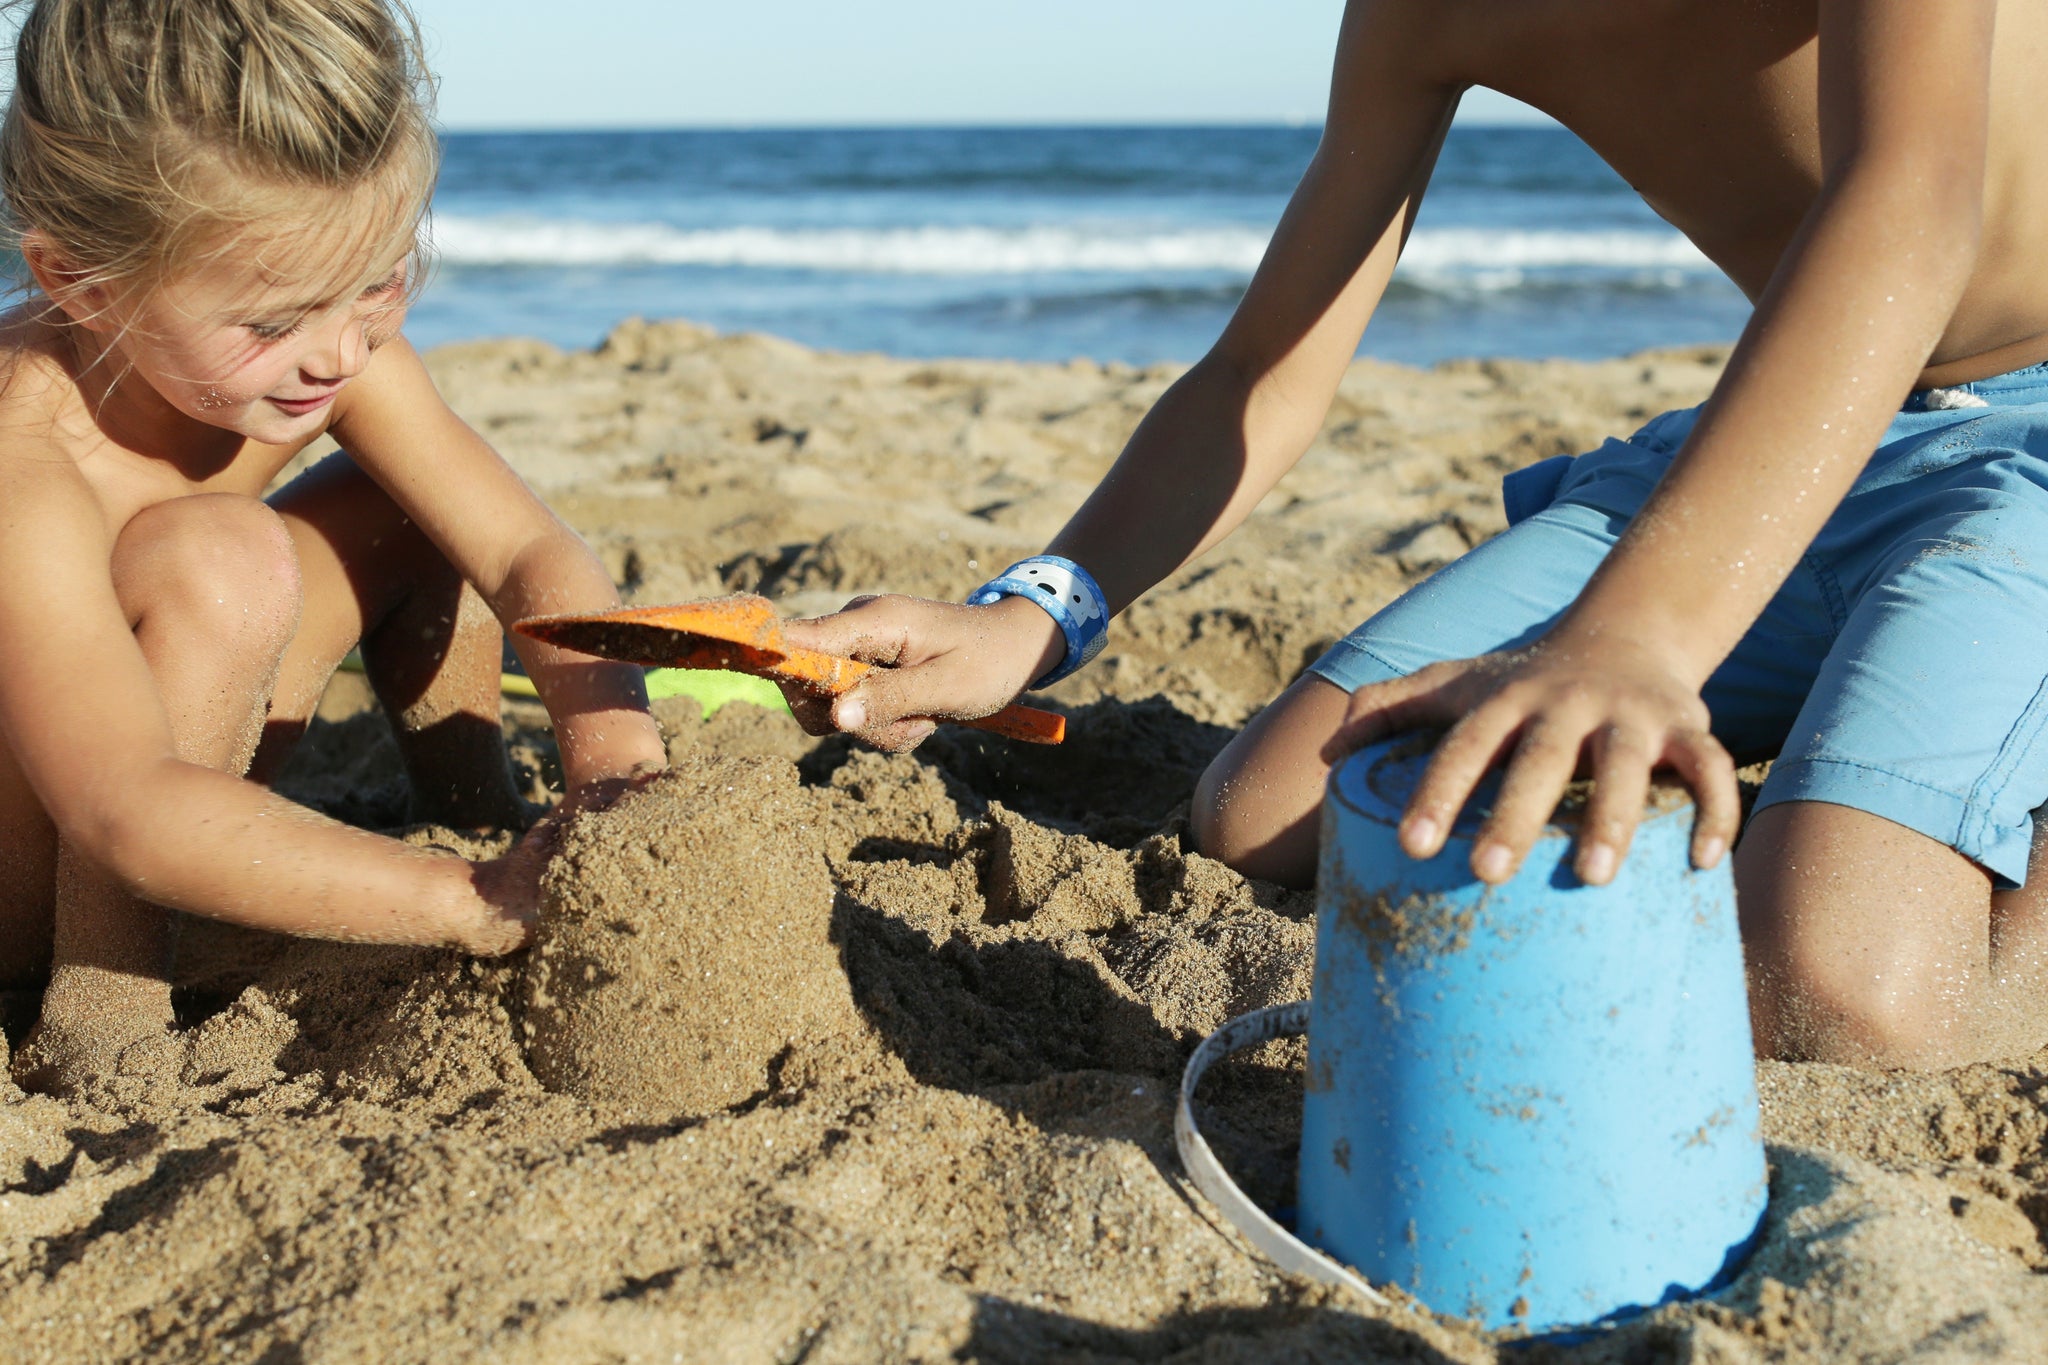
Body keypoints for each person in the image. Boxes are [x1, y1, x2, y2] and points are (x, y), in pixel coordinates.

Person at [787, 0, 2048, 1070]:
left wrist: (1631, 638)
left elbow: (1908, 203)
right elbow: (1261, 373)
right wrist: (1032, 616)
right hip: (1802, 426)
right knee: (1270, 811)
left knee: (1846, 994)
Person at [0, 0, 665, 1094]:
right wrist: (462, 901)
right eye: (273, 325)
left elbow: (522, 551)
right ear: (82, 283)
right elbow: (123, 805)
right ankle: (104, 1014)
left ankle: (470, 801)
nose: (337, 355)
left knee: (406, 495)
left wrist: (616, 770)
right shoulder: (29, 457)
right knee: (217, 553)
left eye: (383, 281)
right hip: (51, 867)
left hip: (193, 765)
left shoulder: (334, 342)